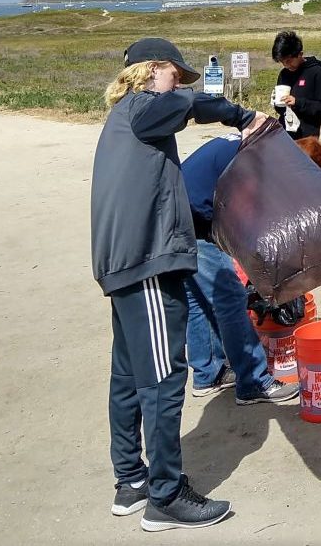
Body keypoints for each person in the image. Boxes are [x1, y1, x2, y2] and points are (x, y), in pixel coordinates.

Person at [90, 37, 265, 531]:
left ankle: (131, 482)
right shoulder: (142, 106)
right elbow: (184, 104)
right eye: (174, 74)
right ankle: (166, 495)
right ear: (152, 71)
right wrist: (240, 115)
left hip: (125, 262)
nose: (178, 84)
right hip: (148, 262)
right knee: (165, 377)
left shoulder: (125, 120)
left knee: (127, 375)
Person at [179, 134, 300, 405]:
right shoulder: (250, 160)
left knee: (198, 300)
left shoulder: (234, 146)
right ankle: (254, 380)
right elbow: (245, 220)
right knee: (230, 299)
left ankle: (208, 374)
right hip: (194, 222)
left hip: (172, 218)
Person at [270, 29, 321, 167]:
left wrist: (298, 102)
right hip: (286, 134)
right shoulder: (284, 74)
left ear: (300, 54)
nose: (286, 65)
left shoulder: (317, 72)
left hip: (308, 138)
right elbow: (281, 110)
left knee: (307, 174)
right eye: (282, 62)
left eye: (288, 61)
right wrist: (277, 103)